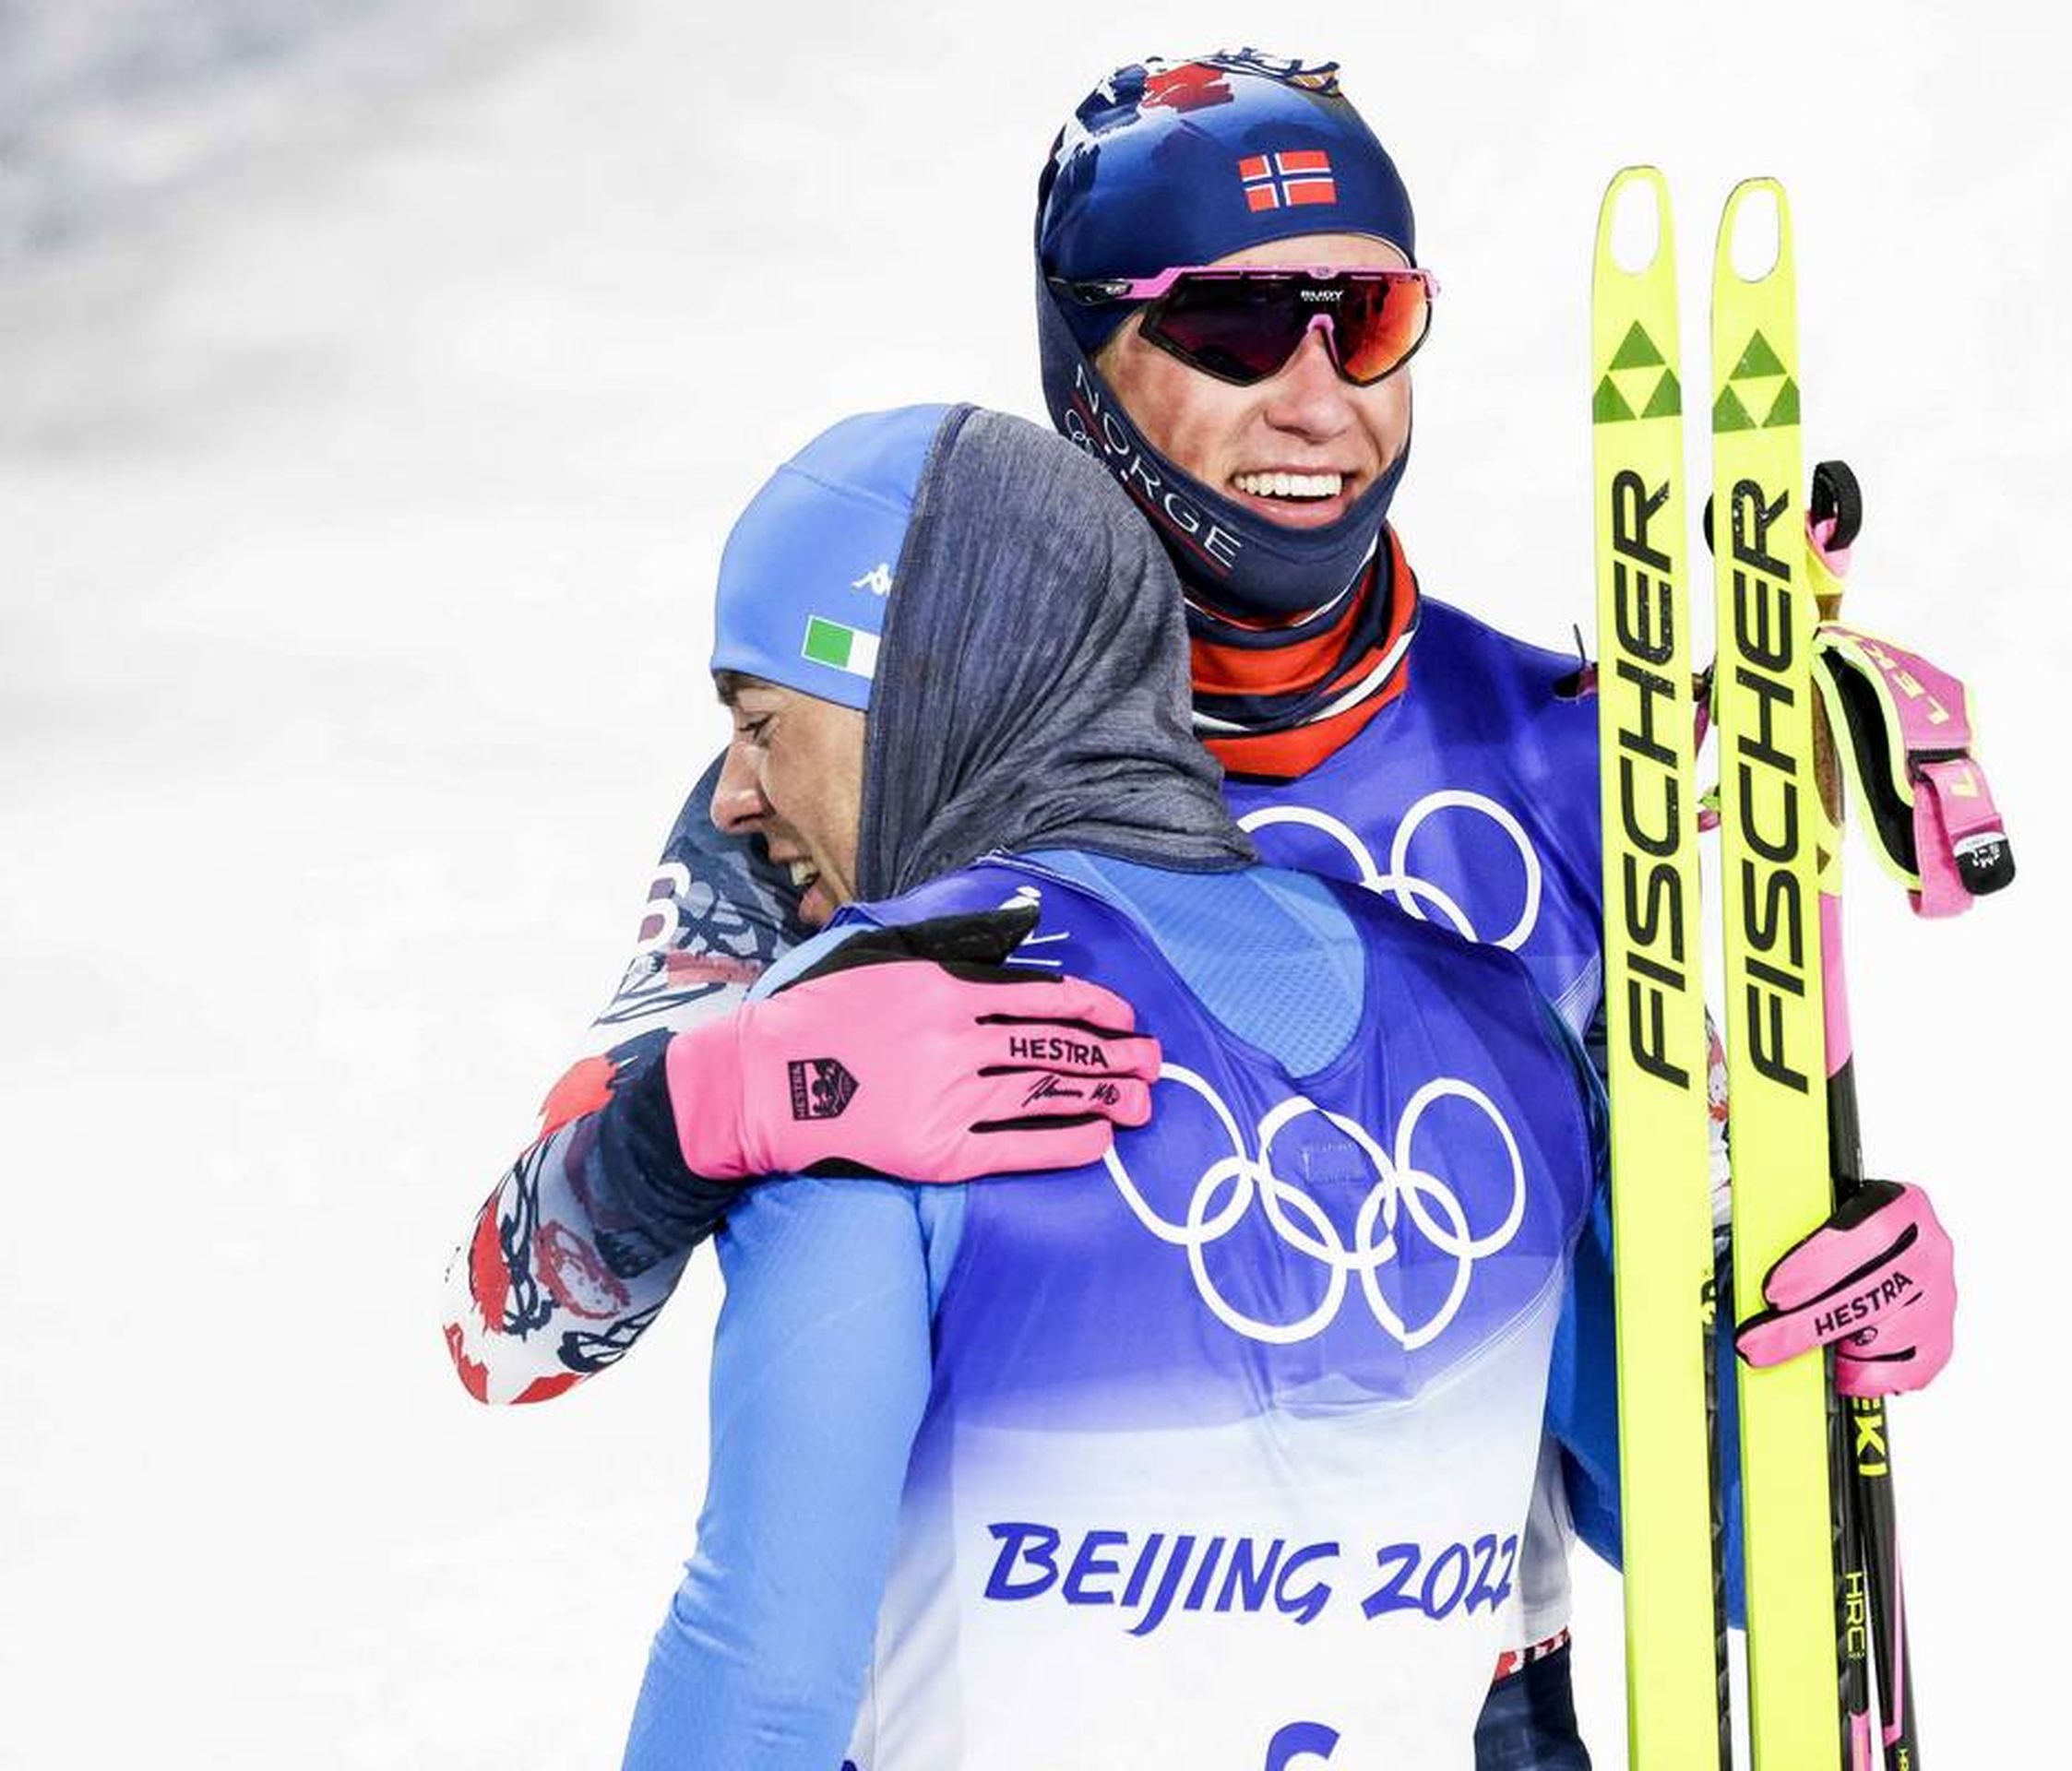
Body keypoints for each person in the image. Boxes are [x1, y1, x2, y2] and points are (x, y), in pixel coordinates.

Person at [443, 50, 1957, 1768]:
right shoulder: (860, 784)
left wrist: (1802, 1311)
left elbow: (1659, 1492)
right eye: (1236, 331)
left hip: (1460, 1704)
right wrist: (709, 1109)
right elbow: (507, 1323)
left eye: (1366, 323)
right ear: (1079, 361)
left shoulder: (1579, 771)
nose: (1319, 400)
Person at [621, 400, 1608, 1768]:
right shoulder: (1512, 1029)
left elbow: (765, 1673)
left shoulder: (885, 1026)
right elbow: (1690, 1516)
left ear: (917, 694)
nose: (733, 794)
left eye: (761, 721)